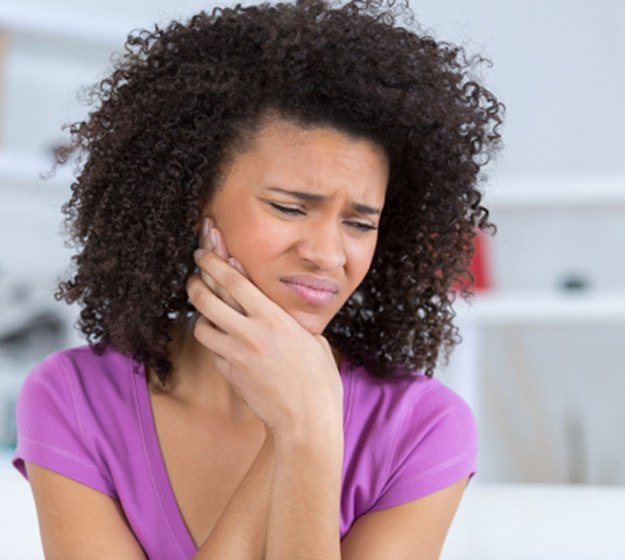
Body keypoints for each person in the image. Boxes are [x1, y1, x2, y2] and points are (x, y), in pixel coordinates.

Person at [12, 0, 503, 558]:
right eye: (290, 208)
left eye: (359, 222)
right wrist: (298, 426)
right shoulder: (77, 400)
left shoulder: (421, 428)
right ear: (191, 204)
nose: (327, 255)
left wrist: (309, 433)